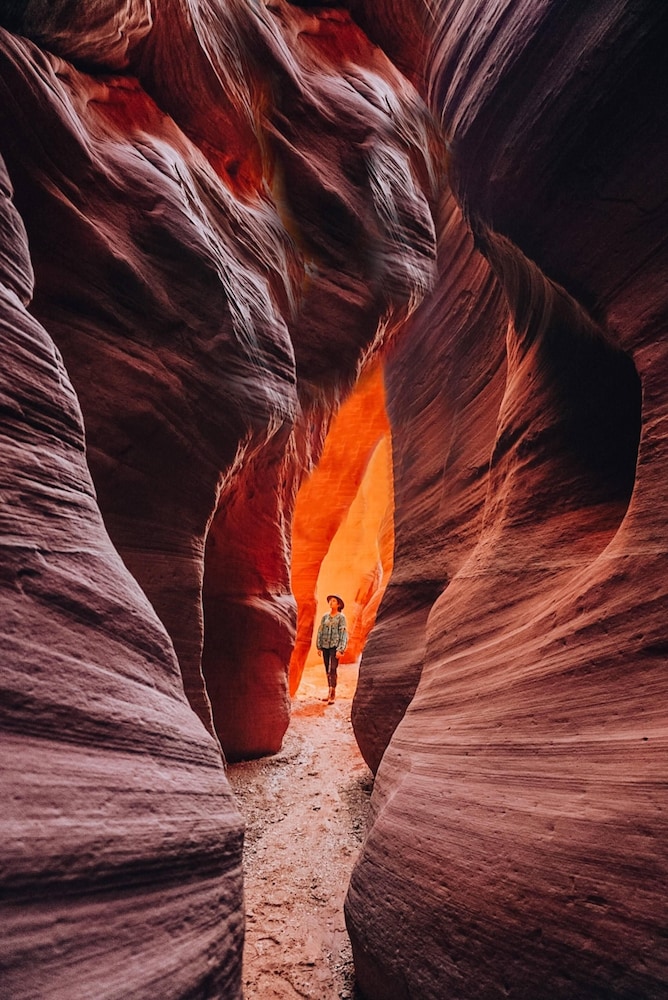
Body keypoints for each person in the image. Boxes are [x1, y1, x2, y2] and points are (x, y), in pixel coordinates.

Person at [316, 594, 347, 705]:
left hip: (335, 646)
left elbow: (343, 633)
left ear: (338, 604)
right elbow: (320, 631)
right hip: (325, 646)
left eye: (334, 601)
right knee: (326, 669)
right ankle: (329, 691)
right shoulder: (325, 617)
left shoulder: (341, 617)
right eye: (330, 601)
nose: (331, 602)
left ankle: (332, 693)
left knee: (332, 669)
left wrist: (341, 649)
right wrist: (319, 646)